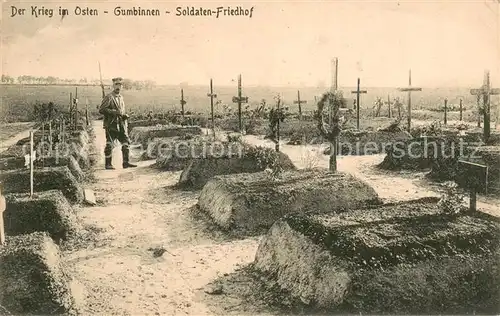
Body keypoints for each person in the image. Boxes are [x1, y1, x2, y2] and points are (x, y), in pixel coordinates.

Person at [99, 77, 137, 170]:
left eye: (120, 85)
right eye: (116, 84)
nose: (118, 87)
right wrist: (114, 112)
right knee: (110, 144)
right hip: (111, 124)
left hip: (121, 124)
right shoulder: (109, 97)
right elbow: (102, 110)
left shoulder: (121, 97)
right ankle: (108, 164)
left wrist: (124, 115)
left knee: (125, 142)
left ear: (122, 86)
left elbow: (121, 111)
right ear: (113, 85)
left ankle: (126, 162)